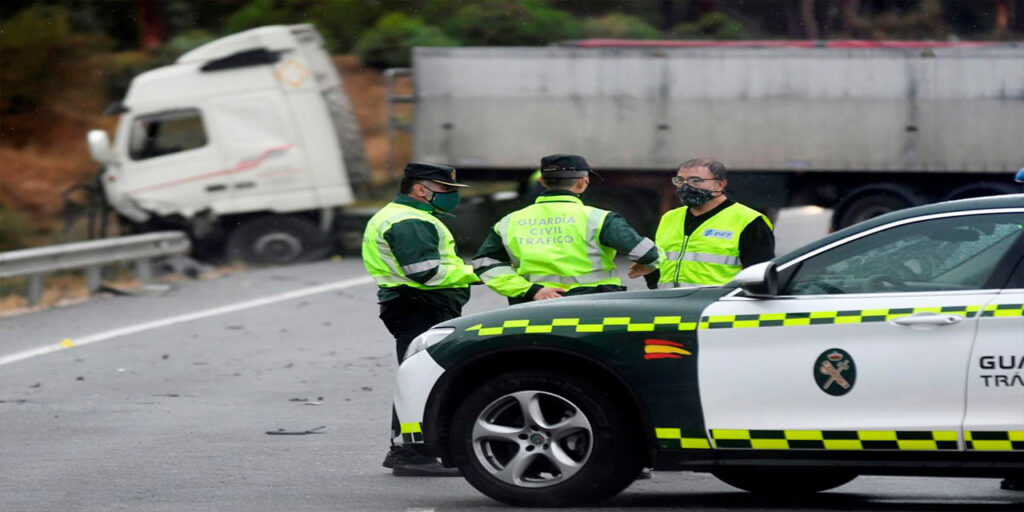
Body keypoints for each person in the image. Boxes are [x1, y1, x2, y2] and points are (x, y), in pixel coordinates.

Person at [362, 162, 479, 476]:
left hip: (411, 304)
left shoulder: (404, 215)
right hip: (421, 304)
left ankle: (411, 449)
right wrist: (479, 274)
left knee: (419, 375)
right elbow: (425, 273)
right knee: (423, 378)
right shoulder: (410, 221)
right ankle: (410, 453)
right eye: (446, 190)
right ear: (420, 189)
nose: (452, 196)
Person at [473, 154, 659, 303]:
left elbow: (484, 264)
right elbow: (648, 254)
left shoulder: (509, 222)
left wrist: (531, 290)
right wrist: (646, 265)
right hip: (595, 306)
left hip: (532, 307)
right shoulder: (600, 219)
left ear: (542, 182)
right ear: (582, 182)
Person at [633, 158, 774, 288]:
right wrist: (650, 272)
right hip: (671, 307)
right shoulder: (670, 218)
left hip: (717, 308)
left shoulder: (750, 221)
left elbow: (759, 277)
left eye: (695, 181)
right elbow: (662, 267)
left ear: (720, 184)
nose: (685, 187)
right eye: (680, 180)